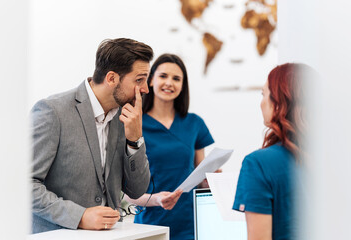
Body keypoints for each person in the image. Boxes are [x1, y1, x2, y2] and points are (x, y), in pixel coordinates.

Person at [31, 38, 153, 233]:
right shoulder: (53, 111)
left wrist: (135, 140)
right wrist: (79, 216)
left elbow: (137, 190)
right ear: (112, 78)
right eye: (139, 80)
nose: (146, 89)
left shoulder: (125, 118)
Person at [125, 53, 214, 240]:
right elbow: (126, 192)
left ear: (183, 85)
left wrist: (209, 180)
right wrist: (156, 199)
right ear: (150, 81)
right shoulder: (135, 124)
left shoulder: (194, 124)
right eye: (163, 76)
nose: (169, 83)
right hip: (150, 227)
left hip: (190, 225)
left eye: (176, 78)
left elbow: (200, 175)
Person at [232, 63, 311, 240]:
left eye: (264, 94)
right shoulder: (335, 157)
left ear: (278, 103)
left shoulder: (258, 164)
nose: (261, 103)